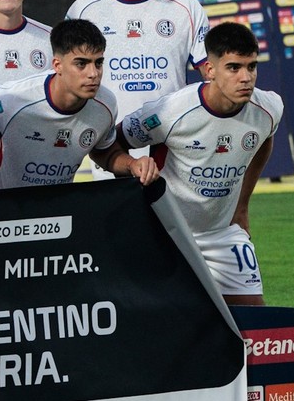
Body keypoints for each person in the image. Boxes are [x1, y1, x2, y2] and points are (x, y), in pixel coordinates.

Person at [114, 22, 283, 306]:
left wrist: (242, 205)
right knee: (166, 318)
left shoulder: (268, 108)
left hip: (222, 233)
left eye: (251, 67)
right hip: (165, 232)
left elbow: (266, 138)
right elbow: (112, 143)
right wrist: (133, 166)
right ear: (210, 70)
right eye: (233, 68)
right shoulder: (170, 112)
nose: (246, 78)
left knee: (254, 318)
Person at [66, 0, 209, 177]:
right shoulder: (83, 11)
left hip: (174, 157)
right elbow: (66, 83)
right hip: (109, 154)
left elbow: (211, 77)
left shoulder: (185, 6)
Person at [0, 19, 158, 189]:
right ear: (57, 65)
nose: (93, 73)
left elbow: (104, 151)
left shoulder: (106, 103)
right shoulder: (11, 100)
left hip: (61, 205)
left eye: (98, 63)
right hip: (7, 204)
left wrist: (132, 164)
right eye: (81, 64)